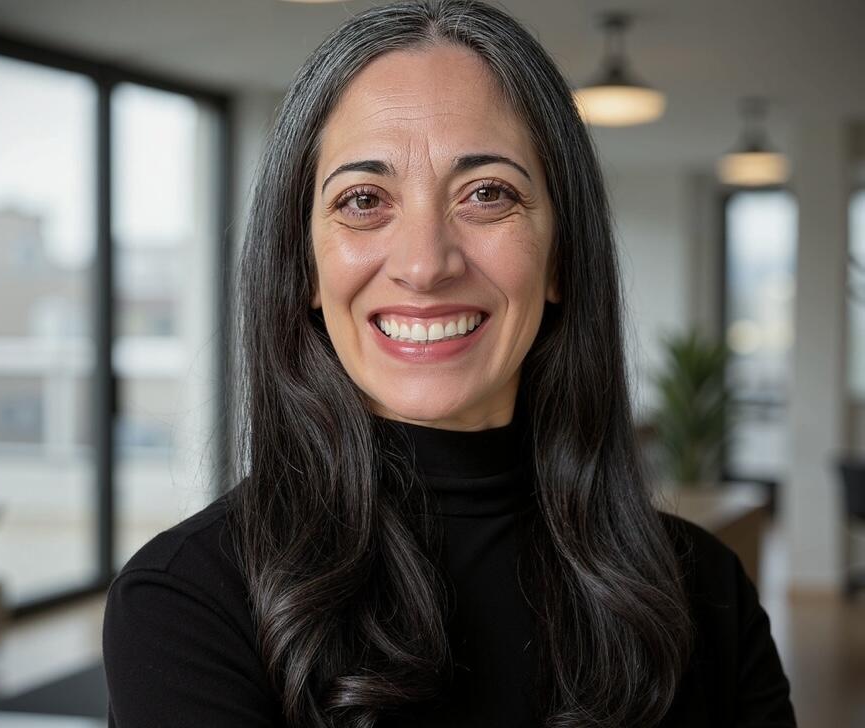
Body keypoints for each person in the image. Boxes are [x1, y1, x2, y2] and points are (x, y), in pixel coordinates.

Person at [102, 1, 797, 726]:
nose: (425, 264)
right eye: (363, 200)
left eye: (487, 194)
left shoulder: (704, 591)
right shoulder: (187, 604)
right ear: (303, 265)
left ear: (560, 255)